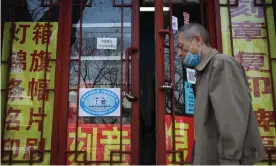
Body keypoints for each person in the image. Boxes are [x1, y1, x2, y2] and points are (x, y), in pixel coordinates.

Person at [177, 23, 265, 165]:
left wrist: (229, 160)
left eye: (181, 47)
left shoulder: (221, 65)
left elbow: (232, 119)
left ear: (197, 41)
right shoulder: (204, 70)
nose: (179, 54)